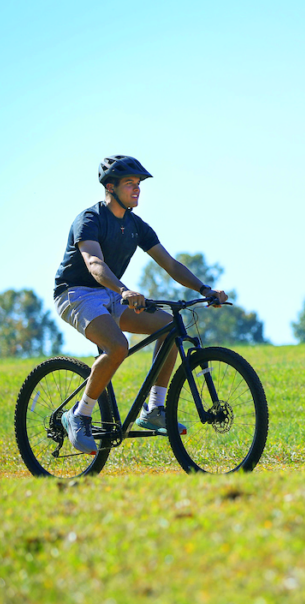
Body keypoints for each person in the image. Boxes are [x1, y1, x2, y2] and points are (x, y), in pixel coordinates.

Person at [53, 155, 229, 454]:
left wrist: (205, 288)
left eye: (138, 184)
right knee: (118, 347)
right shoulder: (90, 219)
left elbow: (170, 264)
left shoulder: (136, 226)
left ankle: (154, 410)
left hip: (110, 295)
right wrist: (124, 290)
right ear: (110, 187)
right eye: (129, 184)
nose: (137, 190)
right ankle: (79, 416)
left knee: (169, 326)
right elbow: (94, 264)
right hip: (76, 293)